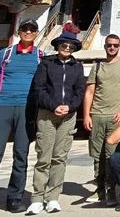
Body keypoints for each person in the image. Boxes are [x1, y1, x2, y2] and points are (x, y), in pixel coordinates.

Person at [0, 19, 42, 217]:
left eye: (32, 30)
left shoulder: (40, 56)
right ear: (18, 32)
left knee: (21, 155)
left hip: (26, 109)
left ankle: (15, 198)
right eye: (25, 29)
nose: (28, 32)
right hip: (3, 107)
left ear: (37, 33)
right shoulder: (4, 54)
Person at [26, 32, 86, 215]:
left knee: (60, 157)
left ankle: (52, 197)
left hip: (68, 116)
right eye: (64, 45)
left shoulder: (78, 67)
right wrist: (54, 107)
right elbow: (39, 88)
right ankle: (37, 198)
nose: (67, 48)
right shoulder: (46, 63)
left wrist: (70, 107)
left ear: (74, 48)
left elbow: (79, 91)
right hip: (47, 114)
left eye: (70, 46)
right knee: (44, 156)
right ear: (58, 45)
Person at [82, 34, 120, 204]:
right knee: (98, 156)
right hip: (97, 115)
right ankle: (99, 190)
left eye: (115, 45)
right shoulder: (97, 66)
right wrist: (86, 115)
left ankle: (112, 190)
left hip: (116, 117)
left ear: (119, 47)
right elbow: (89, 92)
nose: (112, 48)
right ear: (105, 46)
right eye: (109, 45)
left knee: (112, 156)